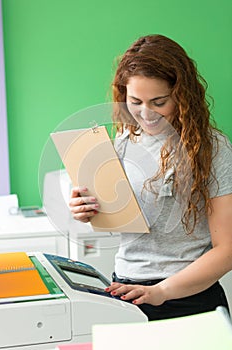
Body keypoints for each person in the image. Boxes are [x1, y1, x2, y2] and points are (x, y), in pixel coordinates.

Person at [69, 34, 232, 321]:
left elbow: (227, 249)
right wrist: (87, 209)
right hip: (126, 290)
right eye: (135, 101)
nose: (146, 114)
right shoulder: (123, 139)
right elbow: (123, 219)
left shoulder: (213, 148)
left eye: (159, 102)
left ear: (182, 95)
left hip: (189, 302)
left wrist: (163, 291)